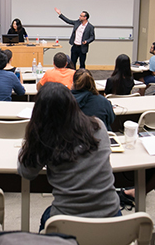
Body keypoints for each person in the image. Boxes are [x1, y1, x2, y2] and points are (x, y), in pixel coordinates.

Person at [18, 83, 121, 231]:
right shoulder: (98, 126)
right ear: (73, 103)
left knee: (46, 218)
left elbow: (26, 173)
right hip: (111, 217)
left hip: (67, 221)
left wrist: (29, 142)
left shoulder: (44, 138)